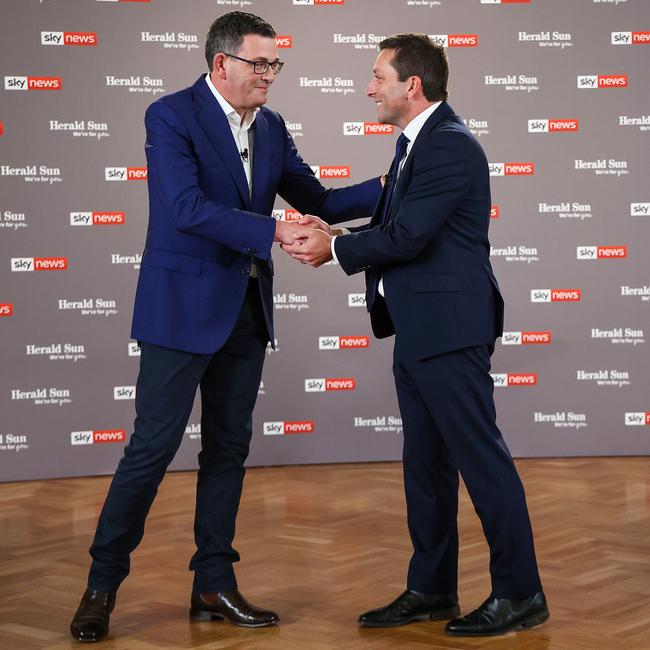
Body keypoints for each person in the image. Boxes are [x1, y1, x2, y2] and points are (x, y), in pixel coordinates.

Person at [70, 11, 380, 643]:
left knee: (229, 452)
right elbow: (182, 208)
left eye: (275, 64)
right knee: (151, 451)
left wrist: (397, 184)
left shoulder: (271, 128)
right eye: (259, 63)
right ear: (221, 64)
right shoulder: (170, 115)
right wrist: (272, 229)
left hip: (244, 310)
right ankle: (101, 584)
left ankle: (213, 583)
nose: (270, 75)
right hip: (179, 310)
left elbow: (316, 200)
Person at [283, 33, 549, 637]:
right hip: (419, 330)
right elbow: (398, 221)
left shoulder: (449, 147)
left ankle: (521, 593)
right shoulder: (417, 144)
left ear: (413, 86)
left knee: (482, 464)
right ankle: (431, 588)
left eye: (378, 76)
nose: (369, 87)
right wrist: (333, 225)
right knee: (425, 466)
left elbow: (408, 238)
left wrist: (335, 248)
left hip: (450, 332)